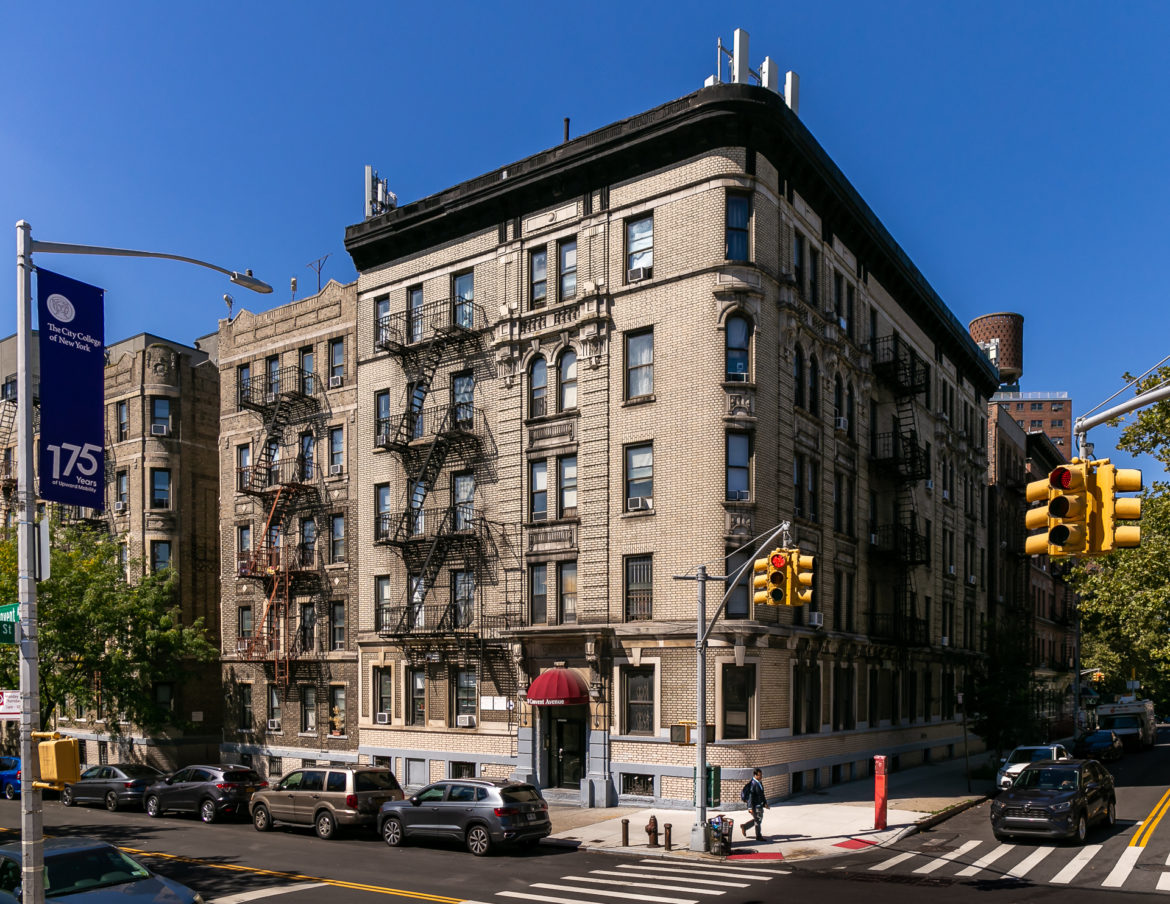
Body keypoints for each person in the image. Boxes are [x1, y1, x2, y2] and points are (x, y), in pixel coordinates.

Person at [740, 768, 769, 841]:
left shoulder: (759, 782)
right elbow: (750, 796)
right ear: (755, 775)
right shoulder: (753, 784)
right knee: (758, 820)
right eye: (759, 775)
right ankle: (758, 836)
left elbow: (762, 794)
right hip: (755, 806)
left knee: (758, 819)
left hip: (759, 804)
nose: (761, 776)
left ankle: (745, 826)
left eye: (761, 775)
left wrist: (765, 803)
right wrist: (750, 808)